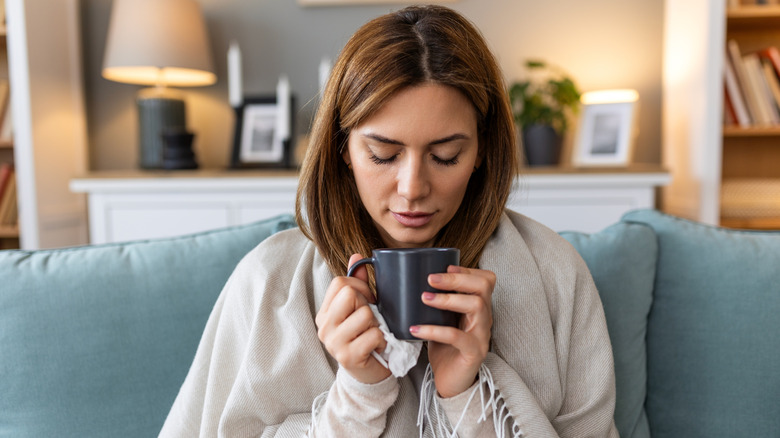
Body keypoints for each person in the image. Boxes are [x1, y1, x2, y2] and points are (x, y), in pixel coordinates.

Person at [160, 5, 618, 437]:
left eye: (446, 156)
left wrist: (468, 394)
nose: (412, 188)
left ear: (481, 152)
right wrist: (359, 394)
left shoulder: (555, 273)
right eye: (383, 155)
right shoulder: (268, 284)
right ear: (342, 148)